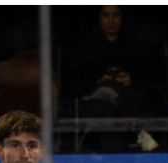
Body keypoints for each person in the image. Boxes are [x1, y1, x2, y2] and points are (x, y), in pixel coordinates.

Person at [67, 6, 161, 151]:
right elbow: (77, 82)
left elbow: (148, 78)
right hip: (96, 98)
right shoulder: (87, 48)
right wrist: (98, 80)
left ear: (122, 18)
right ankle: (139, 134)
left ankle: (111, 148)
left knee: (122, 100)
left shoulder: (136, 46)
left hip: (127, 97)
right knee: (104, 98)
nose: (111, 21)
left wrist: (131, 78)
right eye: (106, 15)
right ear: (99, 18)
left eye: (116, 15)